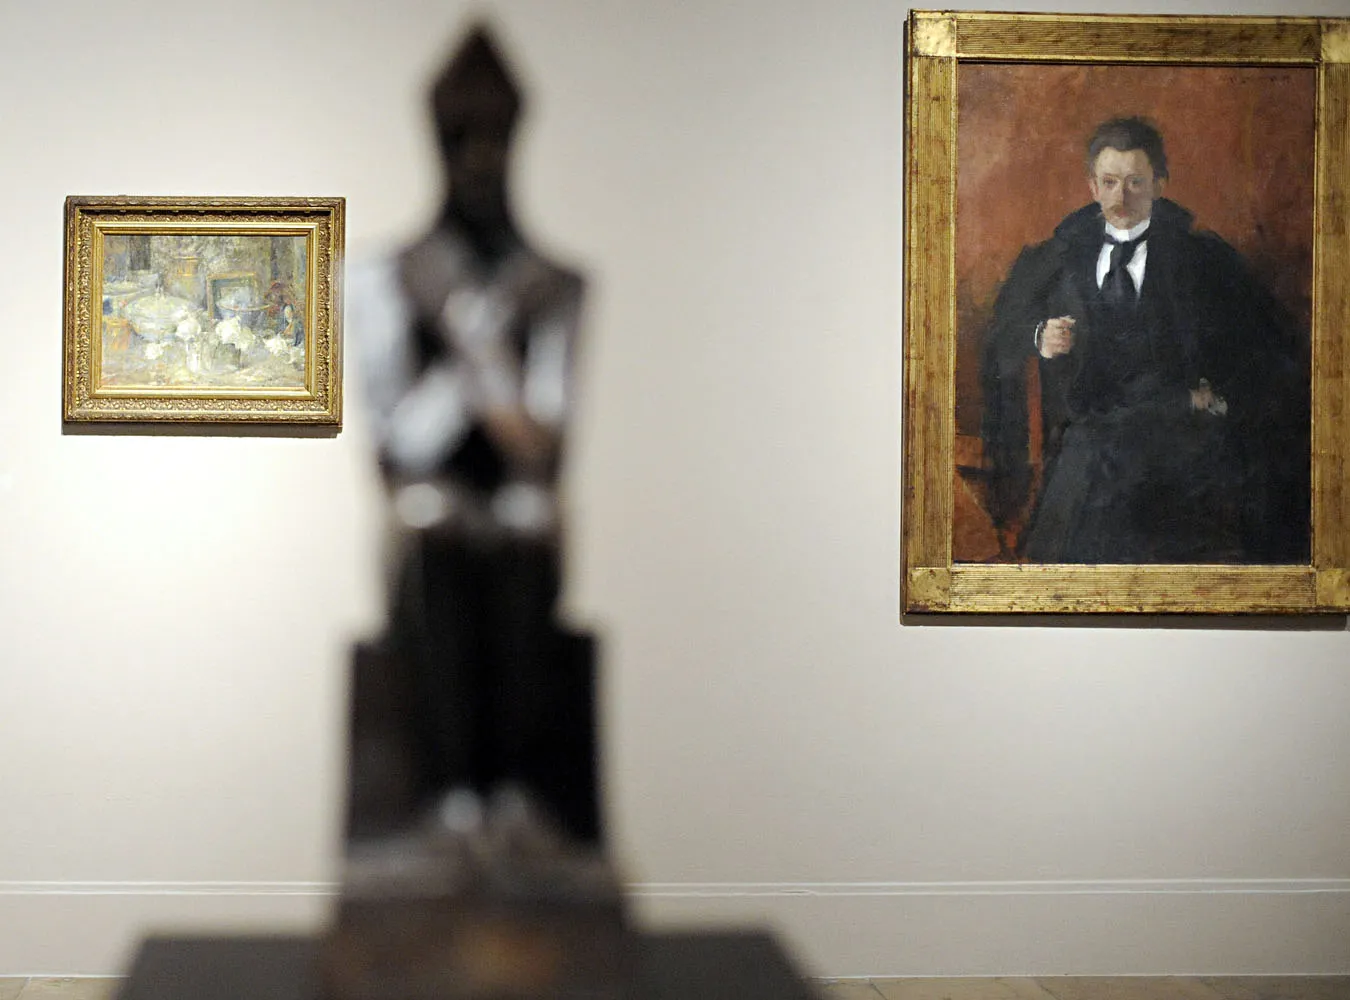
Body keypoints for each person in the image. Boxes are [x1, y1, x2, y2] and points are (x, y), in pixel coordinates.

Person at [348, 26, 597, 844]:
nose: (480, 158)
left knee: (527, 523)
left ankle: (516, 790)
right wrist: (471, 342)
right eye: (463, 138)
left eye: (493, 138)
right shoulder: (386, 276)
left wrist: (480, 344)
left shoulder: (553, 284)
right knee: (432, 524)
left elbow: (543, 443)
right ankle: (448, 789)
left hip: (516, 502)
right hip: (431, 499)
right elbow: (397, 444)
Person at [980, 116, 1309, 564]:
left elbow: (1261, 345)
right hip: (1088, 436)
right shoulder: (1058, 257)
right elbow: (1004, 331)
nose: (1121, 197)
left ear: (1159, 185)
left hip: (1177, 434)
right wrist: (1040, 335)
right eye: (1110, 182)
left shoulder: (1202, 260)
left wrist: (1216, 396)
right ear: (1092, 187)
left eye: (1136, 182)